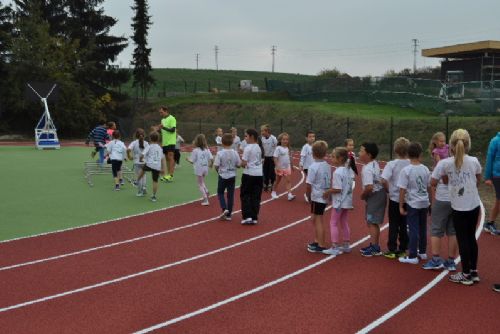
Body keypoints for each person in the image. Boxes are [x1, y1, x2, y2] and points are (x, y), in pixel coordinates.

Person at [440, 129, 482, 285]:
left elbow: (443, 180)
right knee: (471, 237)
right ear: (468, 144)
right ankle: (473, 272)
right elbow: (478, 179)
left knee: (462, 239)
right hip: (473, 204)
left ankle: (465, 274)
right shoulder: (474, 161)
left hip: (459, 206)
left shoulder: (446, 163)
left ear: (451, 145)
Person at [422, 153, 458, 271]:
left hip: (442, 198)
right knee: (453, 230)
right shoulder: (469, 161)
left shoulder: (444, 163)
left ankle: (436, 259)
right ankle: (451, 261)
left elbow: (432, 182)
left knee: (436, 229)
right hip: (458, 200)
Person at [397, 142, 431, 264]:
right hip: (424, 202)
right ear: (420, 154)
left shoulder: (406, 170)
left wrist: (401, 205)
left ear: (408, 154)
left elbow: (402, 189)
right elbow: (429, 187)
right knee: (423, 227)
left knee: (413, 228)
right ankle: (422, 251)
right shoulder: (425, 169)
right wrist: (430, 202)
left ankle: (412, 255)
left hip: (413, 203)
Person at [322, 147, 355, 256]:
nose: (331, 158)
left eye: (332, 156)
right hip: (347, 201)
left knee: (333, 223)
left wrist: (328, 192)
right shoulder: (347, 170)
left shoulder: (337, 172)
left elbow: (338, 189)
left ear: (340, 158)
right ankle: (346, 245)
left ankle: (335, 247)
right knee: (344, 222)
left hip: (339, 202)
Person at [381, 137, 410, 259]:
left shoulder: (392, 164)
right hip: (408, 199)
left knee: (393, 224)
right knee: (404, 224)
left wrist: (388, 189)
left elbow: (383, 180)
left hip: (394, 198)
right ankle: (403, 248)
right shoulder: (411, 163)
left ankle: (392, 249)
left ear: (395, 150)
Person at [359, 142, 387, 257]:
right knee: (372, 221)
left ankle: (375, 247)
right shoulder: (374, 164)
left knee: (372, 222)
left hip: (375, 196)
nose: (359, 153)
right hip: (379, 194)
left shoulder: (368, 169)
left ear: (369, 155)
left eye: (361, 151)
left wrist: (363, 195)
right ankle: (374, 245)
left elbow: (369, 187)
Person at [306, 140, 331, 253]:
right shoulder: (327, 165)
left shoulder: (313, 167)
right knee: (315, 219)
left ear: (313, 153)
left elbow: (308, 184)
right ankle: (317, 240)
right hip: (323, 195)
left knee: (318, 220)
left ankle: (321, 244)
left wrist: (308, 195)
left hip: (317, 196)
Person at [214, 133, 241, 221]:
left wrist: (218, 171)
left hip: (223, 175)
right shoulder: (235, 153)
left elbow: (216, 165)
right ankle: (229, 214)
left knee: (220, 192)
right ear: (232, 142)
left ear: (222, 142)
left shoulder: (220, 153)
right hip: (232, 176)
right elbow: (238, 165)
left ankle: (224, 208)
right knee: (230, 195)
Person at [240, 129, 264, 225]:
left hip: (249, 174)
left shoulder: (248, 148)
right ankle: (254, 216)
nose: (245, 138)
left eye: (246, 136)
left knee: (245, 195)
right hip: (259, 174)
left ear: (252, 137)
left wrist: (239, 163)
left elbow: (244, 163)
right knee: (256, 196)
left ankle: (247, 216)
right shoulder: (258, 147)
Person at [136, 132, 165, 202]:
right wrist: (163, 168)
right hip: (157, 166)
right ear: (158, 139)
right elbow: (162, 159)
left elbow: (142, 155)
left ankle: (137, 181)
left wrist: (141, 160)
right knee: (155, 181)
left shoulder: (149, 146)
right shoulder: (160, 148)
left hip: (149, 164)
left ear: (150, 138)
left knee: (143, 170)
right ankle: (154, 196)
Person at [186, 134, 213, 206]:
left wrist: (188, 159)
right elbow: (211, 158)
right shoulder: (207, 150)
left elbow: (192, 161)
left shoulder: (195, 151)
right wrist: (211, 165)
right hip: (205, 168)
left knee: (199, 184)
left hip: (199, 169)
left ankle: (205, 199)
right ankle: (206, 191)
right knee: (202, 181)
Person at [483, 131, 500, 235]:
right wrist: (487, 177)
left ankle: (489, 223)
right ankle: (489, 223)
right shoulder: (495, 141)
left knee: (499, 201)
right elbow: (489, 159)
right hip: (497, 175)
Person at [271, 132, 295, 201]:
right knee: (278, 180)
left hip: (287, 167)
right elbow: (275, 158)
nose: (285, 141)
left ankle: (289, 194)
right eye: (283, 139)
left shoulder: (288, 148)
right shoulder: (278, 148)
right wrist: (277, 166)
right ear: (280, 140)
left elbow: (290, 157)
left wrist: (292, 165)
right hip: (280, 167)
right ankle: (273, 192)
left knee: (288, 180)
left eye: (287, 139)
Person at [127, 128, 150, 196]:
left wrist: (129, 156)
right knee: (144, 175)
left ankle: (140, 192)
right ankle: (144, 188)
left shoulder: (134, 143)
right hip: (144, 162)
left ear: (135, 135)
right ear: (144, 135)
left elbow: (128, 149)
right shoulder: (146, 143)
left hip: (137, 162)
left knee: (139, 177)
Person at [157, 106, 177, 182]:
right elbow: (162, 130)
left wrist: (163, 127)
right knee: (167, 159)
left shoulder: (172, 118)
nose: (160, 114)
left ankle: (171, 175)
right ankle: (167, 175)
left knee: (171, 157)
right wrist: (157, 129)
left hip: (171, 141)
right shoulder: (162, 120)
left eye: (161, 112)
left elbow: (172, 130)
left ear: (166, 111)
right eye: (160, 112)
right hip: (164, 142)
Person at [261, 124, 277, 192]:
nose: (261, 133)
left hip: (271, 158)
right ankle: (266, 184)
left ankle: (272, 183)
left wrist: (275, 157)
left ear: (267, 131)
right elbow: (262, 148)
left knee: (271, 171)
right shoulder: (262, 138)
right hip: (265, 157)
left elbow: (276, 148)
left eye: (262, 131)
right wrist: (262, 157)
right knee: (265, 171)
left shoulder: (273, 138)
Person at [300, 131, 316, 202]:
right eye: (310, 137)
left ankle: (312, 195)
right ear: (306, 138)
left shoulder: (316, 146)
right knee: (309, 183)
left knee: (315, 183)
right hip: (307, 167)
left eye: (313, 136)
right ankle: (307, 195)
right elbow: (303, 156)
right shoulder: (305, 147)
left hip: (315, 167)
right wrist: (301, 165)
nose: (312, 138)